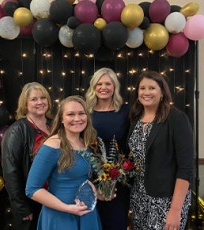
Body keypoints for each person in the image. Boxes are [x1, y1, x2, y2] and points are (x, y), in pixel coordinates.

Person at [128, 71, 194, 230]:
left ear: (162, 92)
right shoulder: (135, 118)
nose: (146, 92)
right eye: (142, 88)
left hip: (167, 201)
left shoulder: (176, 118)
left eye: (152, 88)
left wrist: (175, 210)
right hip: (139, 198)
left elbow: (186, 168)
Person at [25, 96, 102, 230]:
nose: (77, 119)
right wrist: (67, 208)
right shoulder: (53, 145)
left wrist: (98, 193)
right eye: (70, 114)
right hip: (61, 217)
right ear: (61, 119)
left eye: (81, 113)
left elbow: (82, 177)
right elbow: (32, 189)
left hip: (86, 214)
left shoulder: (85, 143)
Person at [2, 82, 53, 230]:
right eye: (34, 99)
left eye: (43, 98)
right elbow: (11, 172)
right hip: (31, 201)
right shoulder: (17, 130)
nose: (40, 102)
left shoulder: (55, 126)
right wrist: (21, 207)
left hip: (55, 198)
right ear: (25, 104)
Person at [85, 67, 131, 230]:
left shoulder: (126, 111)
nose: (103, 87)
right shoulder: (85, 112)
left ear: (115, 87)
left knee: (115, 223)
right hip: (89, 177)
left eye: (108, 84)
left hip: (117, 178)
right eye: (99, 84)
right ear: (93, 87)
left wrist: (119, 172)